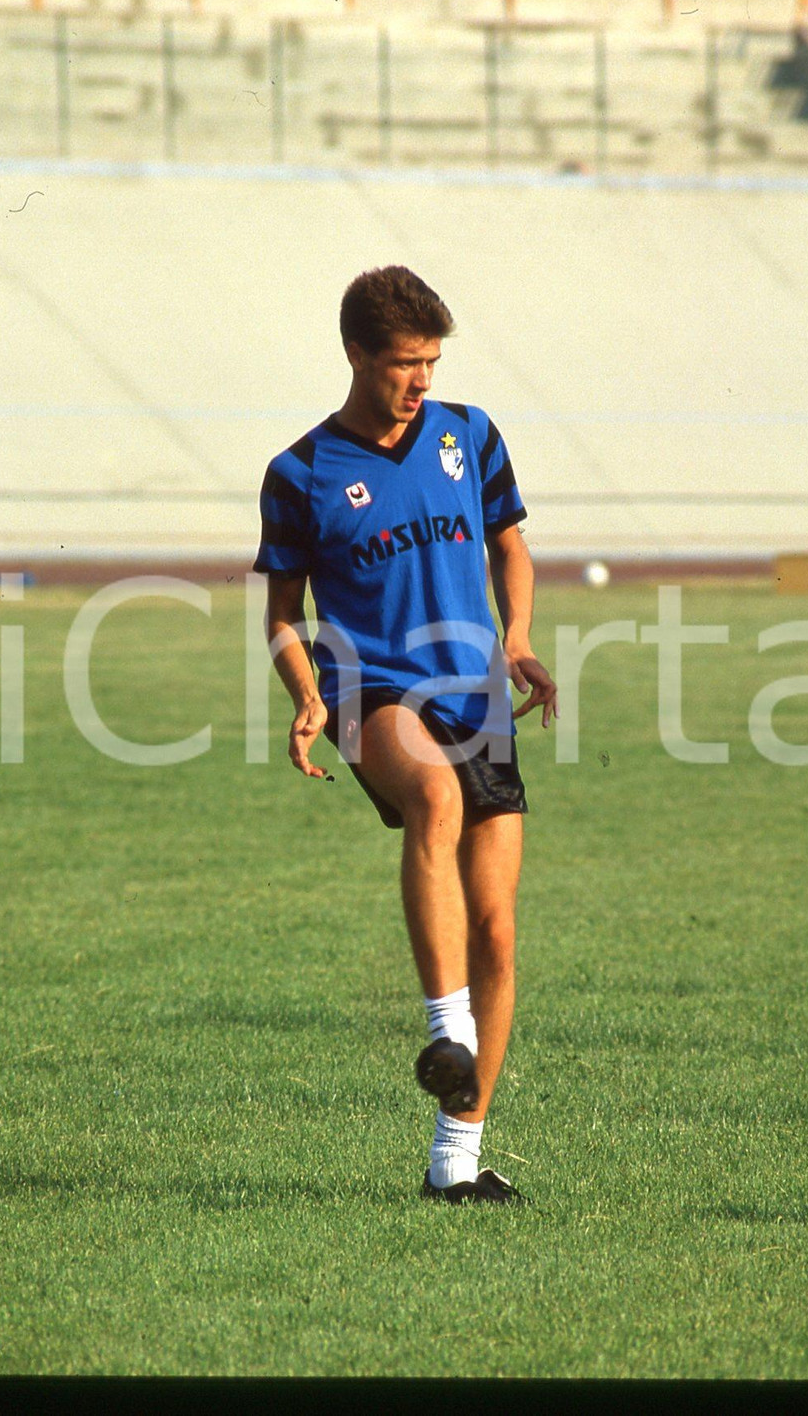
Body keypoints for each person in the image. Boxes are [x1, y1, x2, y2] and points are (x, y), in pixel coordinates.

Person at [254, 266, 557, 1203]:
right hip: (370, 691)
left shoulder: (472, 433)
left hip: (477, 694)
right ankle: (443, 1026)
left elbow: (510, 540)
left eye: (430, 361)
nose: (421, 379)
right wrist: (306, 694)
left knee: (500, 935)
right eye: (403, 364)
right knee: (432, 794)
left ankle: (454, 1166)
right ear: (356, 354)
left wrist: (518, 636)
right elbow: (280, 614)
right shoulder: (301, 473)